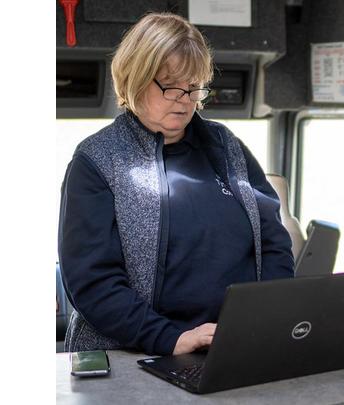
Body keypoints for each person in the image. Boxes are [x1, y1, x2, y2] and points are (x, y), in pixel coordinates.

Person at [59, 12, 294, 356]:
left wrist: (263, 319)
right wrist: (171, 338)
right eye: (170, 85)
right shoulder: (97, 161)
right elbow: (93, 282)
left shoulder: (226, 146)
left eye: (194, 85)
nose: (185, 98)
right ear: (135, 79)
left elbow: (273, 241)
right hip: (137, 351)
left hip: (233, 346)